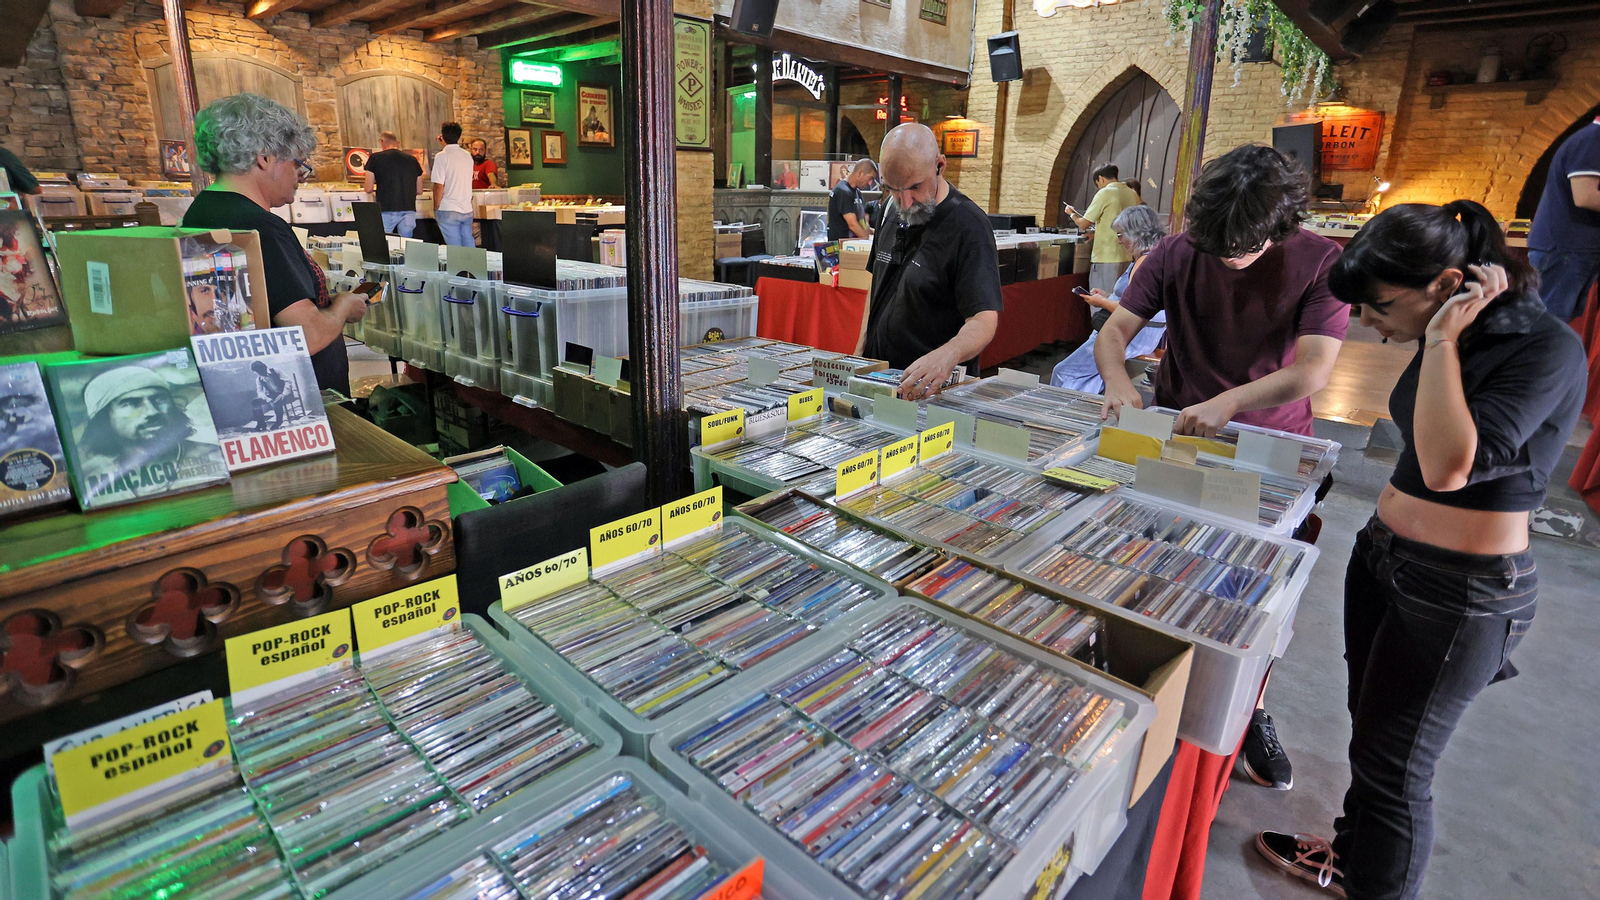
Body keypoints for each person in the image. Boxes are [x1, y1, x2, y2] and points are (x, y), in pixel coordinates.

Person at [1255, 200, 1586, 900]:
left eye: (1377, 307)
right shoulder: (1453, 329)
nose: (1368, 326)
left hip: (1460, 590)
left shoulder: (1541, 346)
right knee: (1371, 739)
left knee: (1397, 771)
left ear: (1443, 284)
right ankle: (1352, 858)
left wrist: (1439, 345)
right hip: (1385, 559)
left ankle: (1376, 883)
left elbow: (1445, 466)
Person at [1096, 143, 1349, 791]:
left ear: (1281, 226)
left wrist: (1230, 403)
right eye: (1217, 249)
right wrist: (1116, 378)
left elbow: (1314, 368)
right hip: (1177, 439)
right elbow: (1116, 330)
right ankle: (1152, 688)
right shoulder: (1179, 252)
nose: (1228, 260)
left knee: (1256, 599)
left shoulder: (1321, 261)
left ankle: (1249, 707)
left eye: (1242, 250)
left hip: (1270, 453)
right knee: (1160, 573)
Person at [183, 93, 366, 396]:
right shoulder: (262, 228)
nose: (300, 175)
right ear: (264, 157)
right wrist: (344, 306)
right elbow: (307, 336)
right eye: (297, 163)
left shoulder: (202, 209)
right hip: (300, 395)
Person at [856, 123, 1001, 400]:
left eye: (915, 187)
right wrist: (859, 356)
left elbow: (984, 319)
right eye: (893, 189)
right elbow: (876, 286)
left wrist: (947, 355)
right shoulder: (889, 209)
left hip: (934, 389)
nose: (906, 202)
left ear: (939, 166)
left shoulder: (969, 225)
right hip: (881, 380)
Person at [1051, 204, 1167, 393]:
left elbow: (1135, 310)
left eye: (1121, 235)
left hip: (1133, 333)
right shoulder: (1151, 257)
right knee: (1092, 375)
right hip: (1137, 330)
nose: (1119, 241)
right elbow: (1132, 299)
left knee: (1064, 372)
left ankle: (1063, 414)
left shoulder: (1145, 261)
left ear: (1136, 233)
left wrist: (1101, 302)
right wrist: (1106, 295)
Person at [78, 366, 225, 502]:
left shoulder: (215, 457)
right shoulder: (90, 478)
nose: (152, 411)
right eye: (130, 403)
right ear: (104, 419)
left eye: (159, 399)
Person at [1526, 114, 1600, 321]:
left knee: (1559, 325)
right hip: (1564, 250)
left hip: (1579, 249)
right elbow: (1585, 196)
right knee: (1544, 324)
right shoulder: (1593, 139)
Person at [1065, 163, 1141, 293]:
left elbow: (1083, 224)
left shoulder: (1105, 193)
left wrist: (1071, 213)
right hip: (1127, 255)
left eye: (1098, 184)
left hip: (1106, 255)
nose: (1099, 187)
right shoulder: (1132, 194)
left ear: (1101, 178)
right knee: (1119, 298)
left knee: (1100, 298)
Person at [364, 131, 424, 238]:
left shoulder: (375, 158)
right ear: (398, 143)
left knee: (385, 244)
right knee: (405, 245)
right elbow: (419, 190)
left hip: (386, 207)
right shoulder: (412, 160)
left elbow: (368, 188)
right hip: (409, 208)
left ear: (381, 142)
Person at [431, 122, 475, 247]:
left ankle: (458, 267)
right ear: (459, 137)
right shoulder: (467, 156)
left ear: (442, 136)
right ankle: (474, 266)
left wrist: (436, 207)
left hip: (448, 207)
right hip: (466, 208)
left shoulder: (441, 157)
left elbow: (439, 186)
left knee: (454, 248)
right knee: (468, 244)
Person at [828, 158, 877, 240]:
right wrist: (867, 240)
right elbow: (853, 224)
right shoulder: (843, 191)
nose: (870, 183)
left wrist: (877, 235)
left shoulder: (857, 192)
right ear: (860, 173)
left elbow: (862, 223)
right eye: (870, 178)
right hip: (842, 248)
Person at [248, 360, 293, 432]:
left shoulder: (276, 371)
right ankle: (261, 423)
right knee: (255, 402)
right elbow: (259, 391)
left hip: (286, 394)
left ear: (264, 367)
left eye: (260, 372)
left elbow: (288, 381)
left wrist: (283, 394)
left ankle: (279, 422)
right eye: (257, 373)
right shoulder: (259, 379)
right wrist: (266, 398)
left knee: (277, 401)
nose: (260, 374)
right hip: (272, 396)